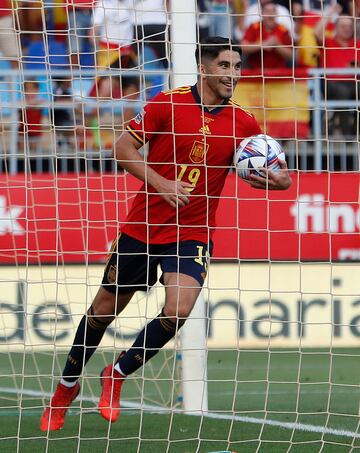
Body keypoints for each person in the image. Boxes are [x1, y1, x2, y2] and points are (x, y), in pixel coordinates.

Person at [40, 36, 292, 432]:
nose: (233, 74)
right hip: (143, 228)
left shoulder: (245, 122)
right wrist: (160, 182)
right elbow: (122, 150)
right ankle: (66, 387)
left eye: (238, 67)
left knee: (177, 312)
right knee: (103, 312)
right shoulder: (166, 104)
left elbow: (262, 168)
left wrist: (279, 181)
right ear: (204, 67)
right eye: (225, 66)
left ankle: (117, 374)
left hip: (193, 232)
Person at [315, 7, 360, 136]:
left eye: (349, 26)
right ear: (336, 27)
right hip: (333, 85)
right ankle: (347, 136)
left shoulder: (357, 44)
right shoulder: (327, 43)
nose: (347, 29)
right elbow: (316, 32)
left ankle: (356, 132)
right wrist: (330, 12)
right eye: (343, 26)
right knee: (343, 91)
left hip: (354, 83)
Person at [241, 1, 293, 72]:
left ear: (276, 14)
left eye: (273, 11)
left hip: (279, 74)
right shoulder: (254, 27)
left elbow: (291, 55)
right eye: (267, 11)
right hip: (255, 72)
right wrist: (263, 44)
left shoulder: (283, 30)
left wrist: (277, 45)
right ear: (262, 14)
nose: (270, 14)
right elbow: (242, 47)